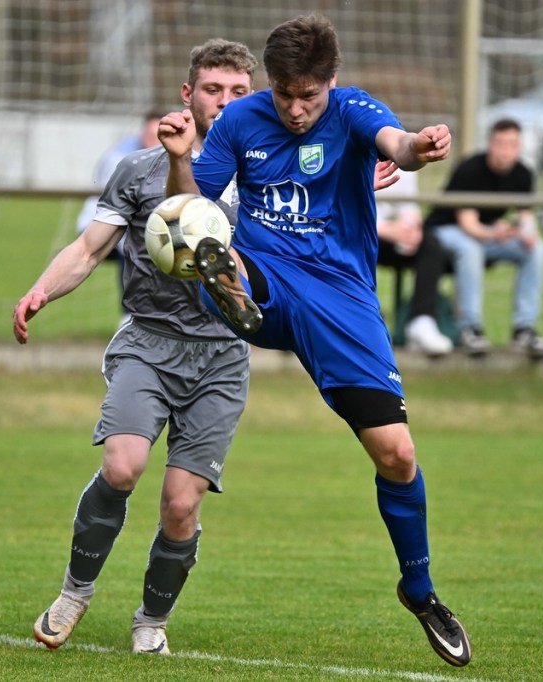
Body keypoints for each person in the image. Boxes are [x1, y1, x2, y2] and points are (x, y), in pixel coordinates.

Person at [159, 14, 472, 667]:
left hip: (340, 301)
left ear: (331, 80)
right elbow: (188, 208)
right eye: (284, 95)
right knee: (209, 245)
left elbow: (396, 144)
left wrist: (421, 145)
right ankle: (230, 289)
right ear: (270, 85)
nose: (296, 110)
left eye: (309, 96)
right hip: (267, 276)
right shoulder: (242, 121)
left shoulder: (353, 109)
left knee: (397, 455)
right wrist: (180, 161)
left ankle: (418, 591)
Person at [12, 39, 258, 656]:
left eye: (237, 92)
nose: (224, 102)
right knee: (122, 467)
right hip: (148, 341)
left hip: (222, 355)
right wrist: (42, 290)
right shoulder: (140, 169)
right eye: (213, 90)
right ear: (188, 94)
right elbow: (89, 248)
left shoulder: (265, 176)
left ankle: (152, 621)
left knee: (180, 506)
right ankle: (74, 593)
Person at [423, 118, 543, 358]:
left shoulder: (523, 173)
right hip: (445, 230)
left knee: (535, 249)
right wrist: (495, 233)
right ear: (490, 144)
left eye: (511, 144)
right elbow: (468, 223)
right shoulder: (470, 169)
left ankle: (524, 329)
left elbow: (525, 216)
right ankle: (471, 329)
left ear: (519, 147)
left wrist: (525, 233)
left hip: (486, 232)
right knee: (470, 247)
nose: (505, 151)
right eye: (500, 144)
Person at [75, 110, 164, 330]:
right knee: (134, 241)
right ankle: (129, 314)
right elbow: (115, 207)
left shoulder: (175, 157)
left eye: (159, 136)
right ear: (142, 134)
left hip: (135, 226)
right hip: (100, 224)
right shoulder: (122, 159)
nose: (154, 141)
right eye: (150, 135)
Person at [374, 165, 455, 356]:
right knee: (356, 240)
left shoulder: (401, 154)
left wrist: (411, 230)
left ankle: (422, 321)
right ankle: (367, 320)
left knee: (430, 243)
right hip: (358, 231)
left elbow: (409, 205)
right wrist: (387, 230)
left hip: (391, 234)